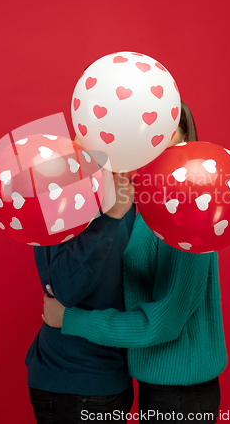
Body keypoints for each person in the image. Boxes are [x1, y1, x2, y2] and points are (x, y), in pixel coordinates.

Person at [42, 101, 228, 423]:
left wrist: (71, 320)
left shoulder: (192, 212)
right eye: (149, 139)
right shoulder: (142, 206)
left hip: (184, 394)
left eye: (168, 138)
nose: (155, 149)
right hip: (152, 387)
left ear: (186, 142)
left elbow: (164, 322)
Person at [25, 164, 136, 423]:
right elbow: (63, 289)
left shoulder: (128, 194)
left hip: (114, 377)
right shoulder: (65, 191)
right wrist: (111, 218)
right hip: (73, 381)